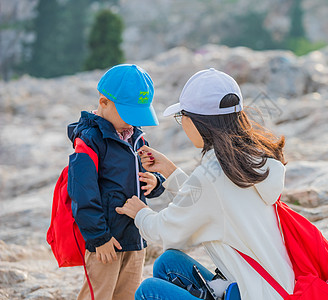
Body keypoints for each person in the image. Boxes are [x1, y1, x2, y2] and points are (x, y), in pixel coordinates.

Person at [116, 68, 295, 300]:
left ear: (199, 121)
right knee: (168, 264)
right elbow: (212, 201)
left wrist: (141, 213)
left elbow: (168, 231)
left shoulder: (214, 175)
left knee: (148, 292)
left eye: (182, 117)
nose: (183, 124)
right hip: (274, 290)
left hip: (254, 294)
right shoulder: (252, 159)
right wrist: (170, 172)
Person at [67, 64, 165, 300]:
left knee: (129, 294)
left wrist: (155, 182)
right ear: (104, 102)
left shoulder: (137, 137)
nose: (133, 122)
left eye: (138, 115)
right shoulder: (89, 141)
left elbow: (147, 172)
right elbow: (82, 193)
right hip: (105, 241)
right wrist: (98, 237)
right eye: (128, 113)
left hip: (134, 236)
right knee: (98, 294)